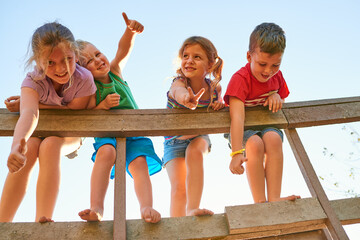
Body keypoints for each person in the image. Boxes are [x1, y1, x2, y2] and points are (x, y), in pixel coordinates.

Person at [0, 22, 97, 223]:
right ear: (38, 61)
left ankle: (43, 220)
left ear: (76, 55)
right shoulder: (32, 81)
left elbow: (74, 111)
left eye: (67, 59)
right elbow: (29, 113)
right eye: (50, 63)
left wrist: (39, 104)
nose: (61, 68)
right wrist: (16, 145)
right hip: (37, 132)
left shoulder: (83, 78)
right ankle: (2, 220)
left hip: (70, 133)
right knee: (30, 146)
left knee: (50, 144)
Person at [76, 13, 162, 223]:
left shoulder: (114, 71)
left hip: (133, 132)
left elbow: (122, 50)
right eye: (89, 61)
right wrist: (103, 106)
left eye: (98, 54)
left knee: (139, 163)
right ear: (81, 71)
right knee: (106, 153)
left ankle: (147, 207)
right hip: (107, 134)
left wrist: (130, 32)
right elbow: (86, 115)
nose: (97, 60)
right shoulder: (89, 88)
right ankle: (97, 208)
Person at [223, 23, 300, 203]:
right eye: (262, 64)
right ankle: (260, 202)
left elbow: (282, 100)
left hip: (267, 125)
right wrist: (236, 153)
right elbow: (237, 117)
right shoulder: (240, 79)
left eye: (275, 65)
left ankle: (274, 197)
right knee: (255, 144)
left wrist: (277, 97)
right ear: (249, 56)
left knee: (273, 139)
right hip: (242, 130)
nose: (268, 71)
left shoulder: (277, 77)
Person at [163, 36, 224, 217]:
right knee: (178, 188)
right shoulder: (179, 82)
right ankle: (176, 230)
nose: (189, 60)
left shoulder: (214, 89)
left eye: (197, 57)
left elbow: (218, 102)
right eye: (186, 56)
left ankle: (192, 208)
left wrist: (219, 105)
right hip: (173, 142)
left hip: (198, 136)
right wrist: (185, 99)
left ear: (210, 65)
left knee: (195, 152)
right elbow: (177, 92)